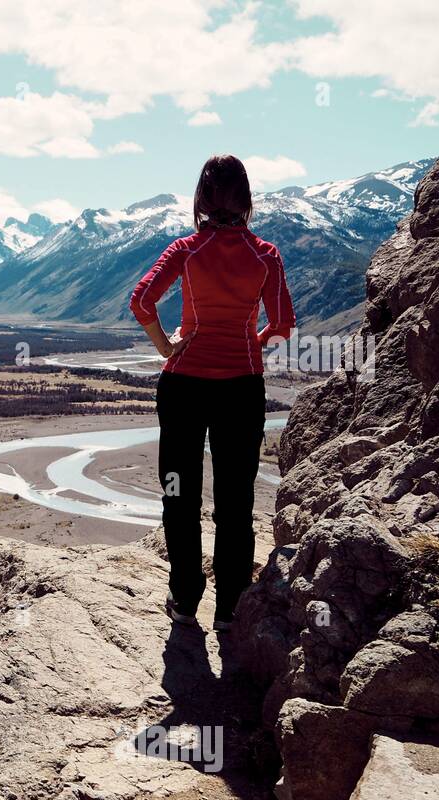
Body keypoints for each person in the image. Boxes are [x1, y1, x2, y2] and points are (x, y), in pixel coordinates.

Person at [129, 154, 295, 632]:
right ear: (246, 200)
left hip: (183, 386)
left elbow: (141, 301)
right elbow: (282, 325)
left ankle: (184, 599)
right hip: (241, 389)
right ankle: (230, 609)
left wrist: (167, 346)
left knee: (178, 492)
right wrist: (251, 346)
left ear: (200, 200)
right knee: (236, 499)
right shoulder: (266, 254)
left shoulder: (186, 249)